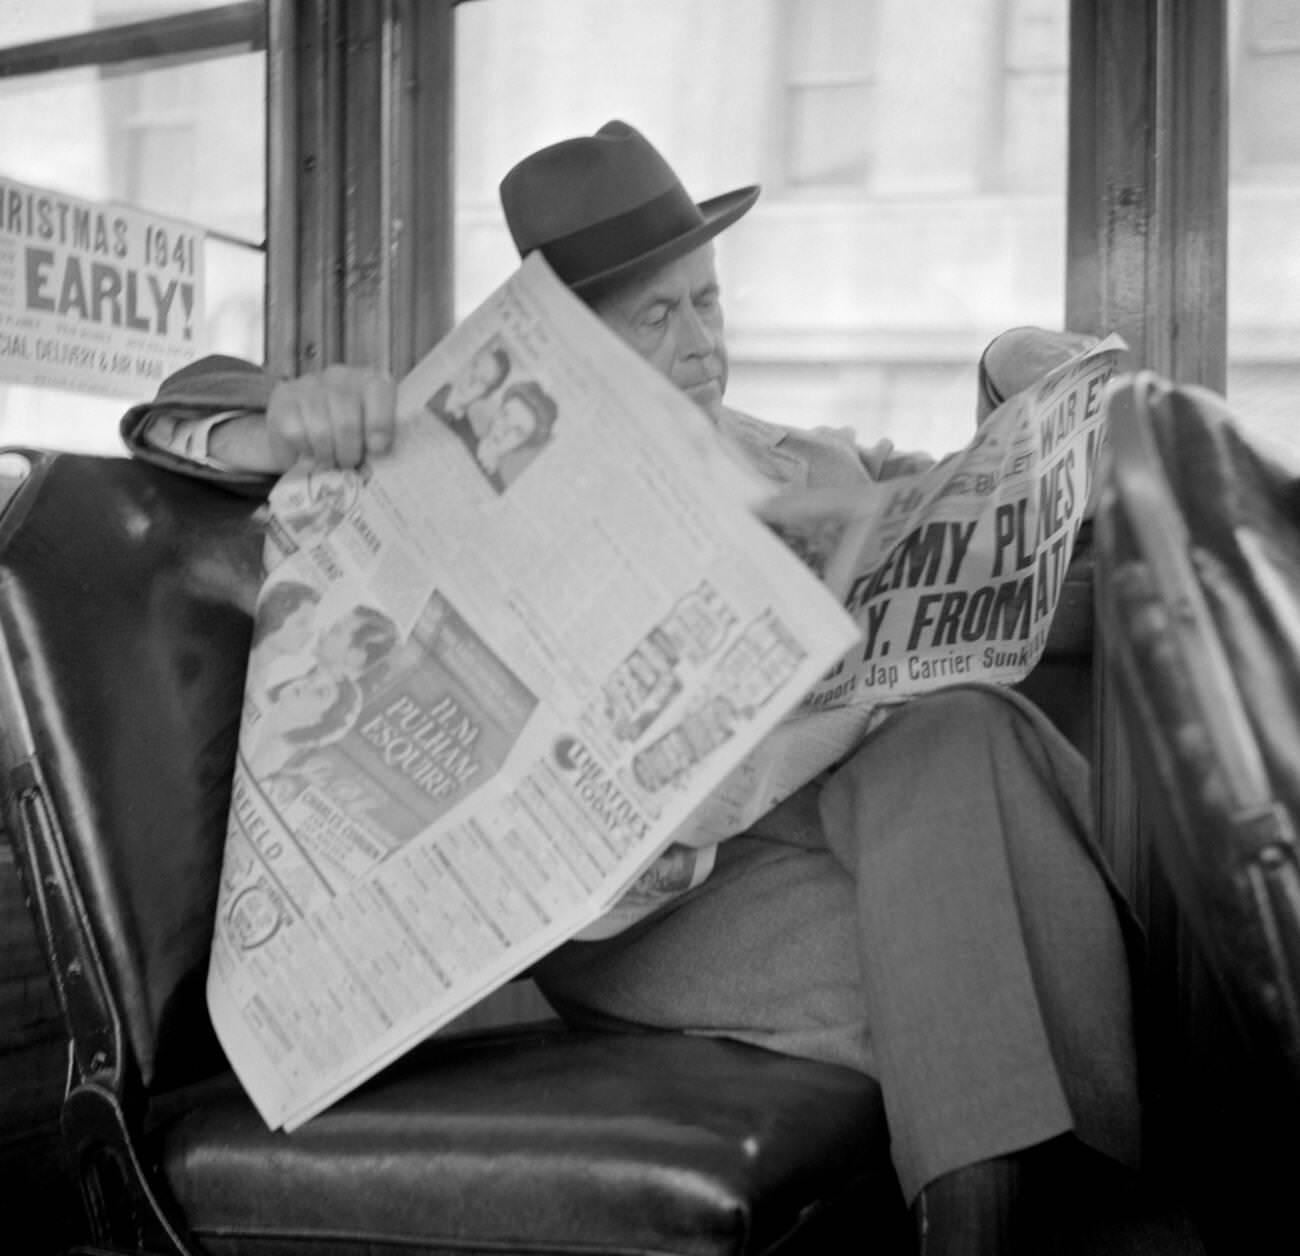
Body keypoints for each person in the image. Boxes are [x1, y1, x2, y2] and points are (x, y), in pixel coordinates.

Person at [125, 120, 1141, 1254]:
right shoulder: (480, 455)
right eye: (657, 317)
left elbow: (973, 497)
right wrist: (274, 416)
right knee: (1000, 894)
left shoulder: (802, 459)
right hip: (664, 900)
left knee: (956, 747)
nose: (701, 343)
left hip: (870, 827)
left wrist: (1023, 381)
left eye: (709, 301)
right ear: (578, 348)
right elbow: (186, 398)